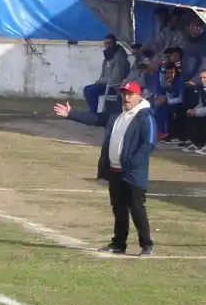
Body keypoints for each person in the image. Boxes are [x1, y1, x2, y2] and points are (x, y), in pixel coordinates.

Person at [53, 81, 157, 256]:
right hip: (115, 171)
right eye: (124, 94)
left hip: (133, 173)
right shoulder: (117, 115)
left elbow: (149, 143)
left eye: (130, 94)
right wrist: (71, 113)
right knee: (119, 209)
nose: (126, 97)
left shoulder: (145, 117)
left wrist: (133, 163)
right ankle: (119, 243)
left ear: (138, 96)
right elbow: (95, 118)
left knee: (137, 209)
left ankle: (146, 244)